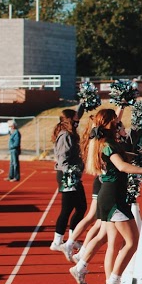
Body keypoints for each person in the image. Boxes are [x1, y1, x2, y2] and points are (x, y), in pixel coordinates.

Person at [68, 109, 142, 284]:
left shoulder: (103, 143)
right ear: (108, 123)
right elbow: (122, 167)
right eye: (115, 121)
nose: (118, 123)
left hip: (111, 194)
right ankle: (112, 283)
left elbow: (124, 161)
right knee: (131, 242)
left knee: (111, 239)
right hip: (113, 197)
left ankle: (85, 267)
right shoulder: (107, 144)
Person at [51, 109, 87, 255]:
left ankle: (72, 238)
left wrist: (84, 103)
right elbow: (62, 158)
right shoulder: (65, 135)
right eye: (76, 117)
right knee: (67, 209)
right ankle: (57, 241)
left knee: (80, 207)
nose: (78, 119)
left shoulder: (70, 133)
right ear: (70, 119)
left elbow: (80, 111)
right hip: (67, 175)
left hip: (72, 174)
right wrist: (71, 173)